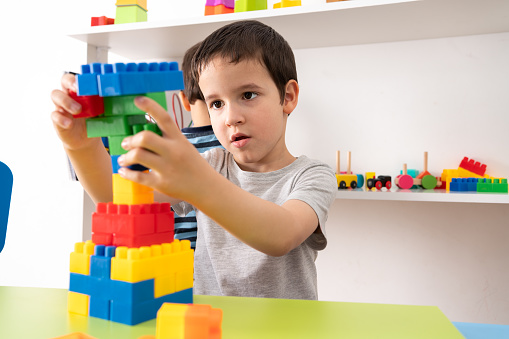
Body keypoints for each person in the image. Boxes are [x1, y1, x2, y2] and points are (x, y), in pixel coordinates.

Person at [50, 20, 337, 300]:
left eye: (248, 95)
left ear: (287, 97)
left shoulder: (312, 175)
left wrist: (198, 184)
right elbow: (120, 199)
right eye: (216, 103)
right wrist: (80, 145)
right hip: (210, 324)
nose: (230, 117)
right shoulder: (211, 164)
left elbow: (280, 235)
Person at [174, 42, 223, 250]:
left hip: (179, 257)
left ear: (184, 99)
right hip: (226, 258)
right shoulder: (238, 144)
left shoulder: (171, 148)